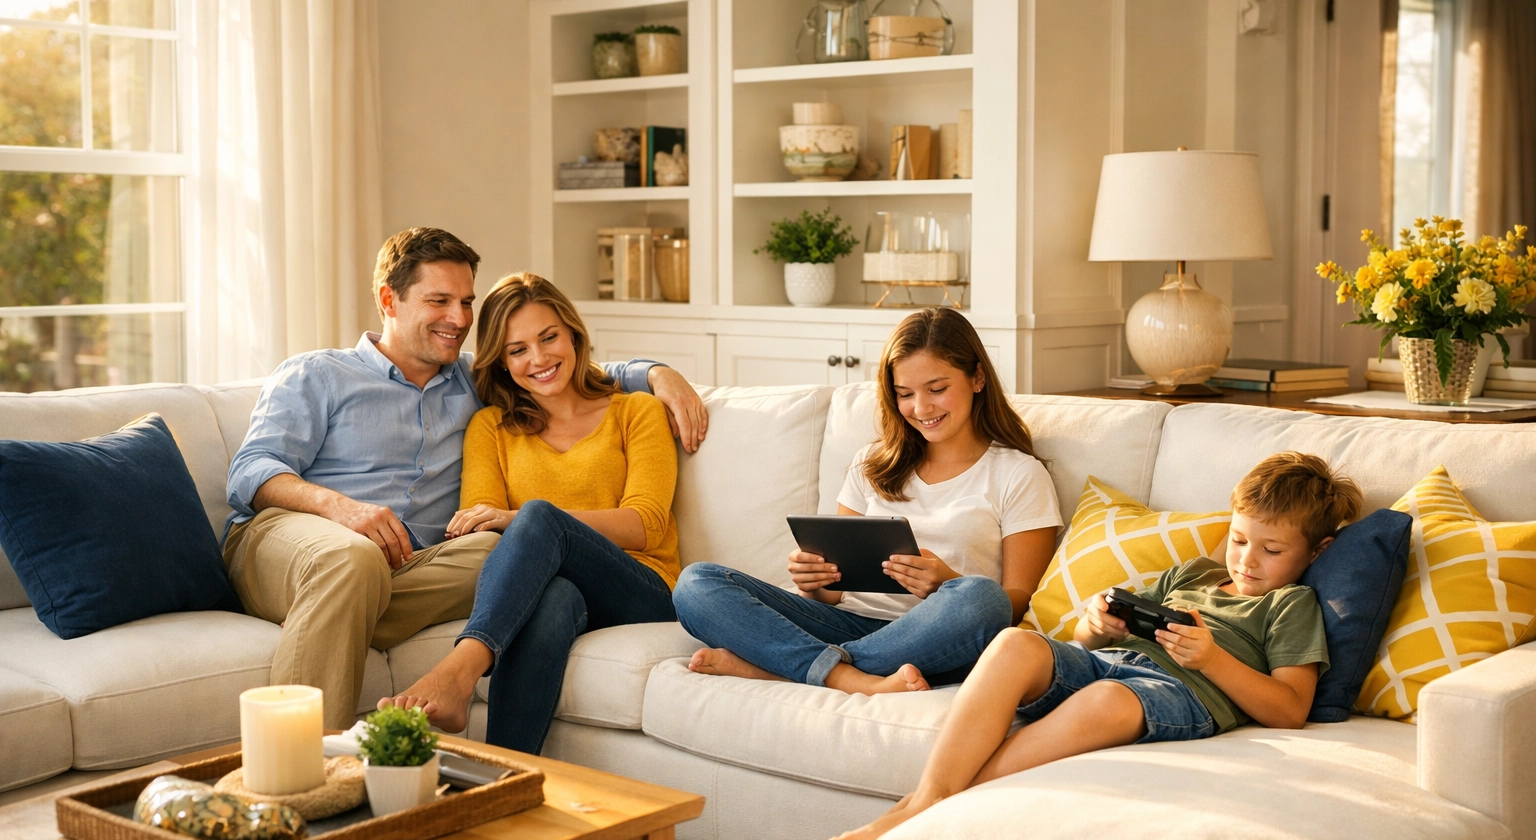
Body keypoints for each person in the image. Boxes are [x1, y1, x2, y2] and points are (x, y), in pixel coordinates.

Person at [223, 228, 706, 728]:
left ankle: (334, 609)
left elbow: (562, 370)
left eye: (466, 302)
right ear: (389, 300)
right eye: (439, 301)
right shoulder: (317, 374)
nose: (458, 319)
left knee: (508, 553)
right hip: (295, 539)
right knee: (352, 559)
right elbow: (250, 471)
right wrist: (342, 509)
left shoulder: (475, 380)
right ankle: (303, 762)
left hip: (411, 567)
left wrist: (657, 373)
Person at [826, 452, 1363, 840]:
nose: (1247, 560)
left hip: (1181, 693)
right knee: (1015, 644)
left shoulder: (1291, 604)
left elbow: (1291, 709)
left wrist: (1211, 659)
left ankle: (919, 810)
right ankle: (928, 798)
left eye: (1271, 550)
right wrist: (1098, 625)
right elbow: (1086, 645)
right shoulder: (1193, 574)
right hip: (1113, 664)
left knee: (1107, 699)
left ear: (1317, 551)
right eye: (1240, 540)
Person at [672, 306, 1061, 696]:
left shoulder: (1018, 474)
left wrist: (947, 583)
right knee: (696, 583)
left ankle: (788, 667)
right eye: (905, 394)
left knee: (981, 598)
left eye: (937, 389)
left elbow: (1016, 603)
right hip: (845, 623)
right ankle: (847, 677)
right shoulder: (871, 464)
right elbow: (835, 593)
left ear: (977, 377)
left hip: (937, 637)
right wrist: (815, 582)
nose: (921, 408)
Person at [378, 273, 680, 752]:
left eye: (548, 337)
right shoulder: (490, 428)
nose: (538, 359)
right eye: (517, 350)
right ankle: (503, 775)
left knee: (537, 515)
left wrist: (519, 517)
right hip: (550, 588)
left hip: (641, 587)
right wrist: (512, 521)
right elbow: (476, 528)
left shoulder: (635, 412)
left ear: (573, 334)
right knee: (554, 597)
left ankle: (459, 670)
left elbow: (646, 525)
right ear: (501, 361)